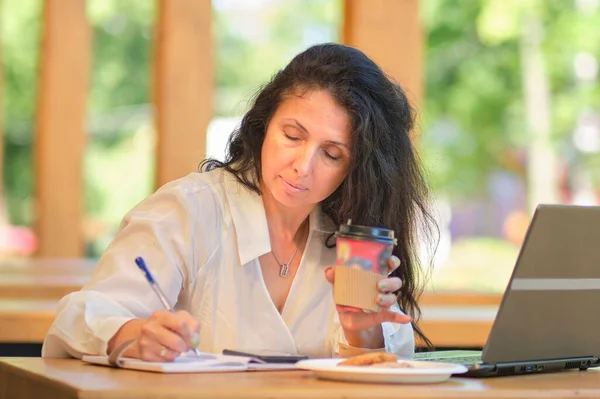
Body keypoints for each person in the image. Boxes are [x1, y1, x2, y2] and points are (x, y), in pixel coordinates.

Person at [42, 43, 438, 361]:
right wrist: (132, 335)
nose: (302, 166)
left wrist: (361, 331)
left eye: (332, 154)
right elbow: (79, 317)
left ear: (355, 169)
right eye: (293, 136)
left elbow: (391, 369)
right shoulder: (187, 209)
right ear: (264, 125)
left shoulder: (354, 246)